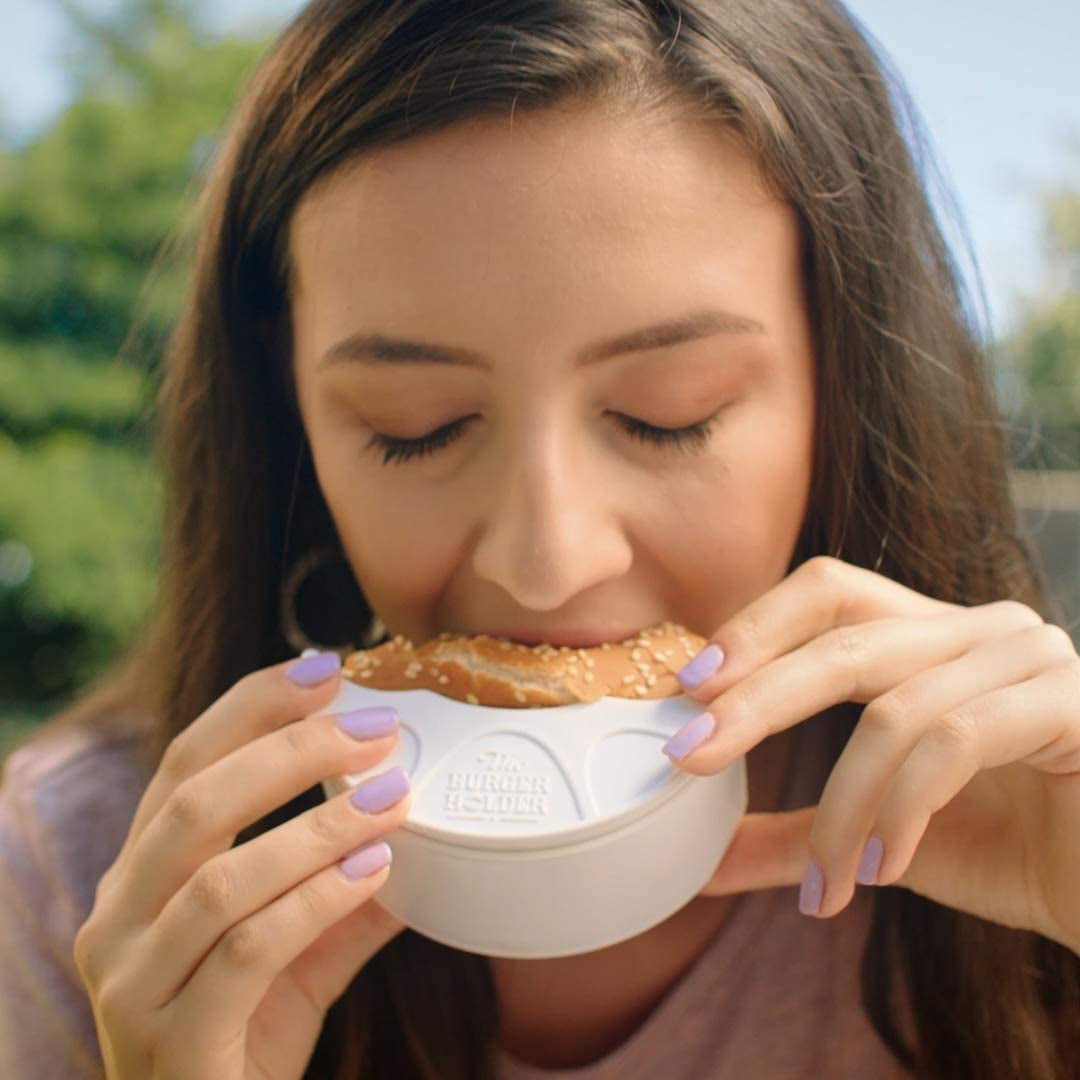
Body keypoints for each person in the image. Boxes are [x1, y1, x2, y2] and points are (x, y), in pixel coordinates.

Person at [2, 0, 1079, 1076]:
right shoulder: (79, 877)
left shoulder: (1020, 812)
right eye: (413, 429)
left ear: (844, 390)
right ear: (292, 412)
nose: (548, 560)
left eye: (669, 412)